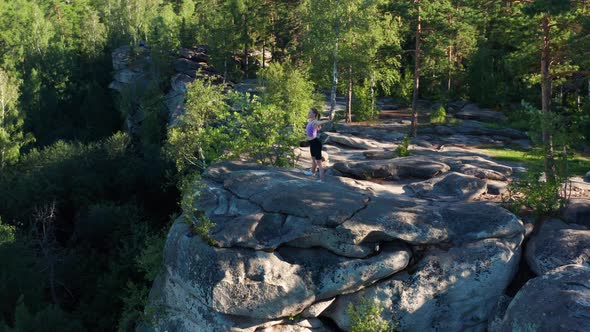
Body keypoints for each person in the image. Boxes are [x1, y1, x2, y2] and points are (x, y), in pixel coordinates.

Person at [304, 108, 330, 182]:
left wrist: (328, 120)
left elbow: (320, 122)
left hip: (316, 143)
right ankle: (312, 172)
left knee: (319, 163)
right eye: (308, 112)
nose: (308, 113)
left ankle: (322, 180)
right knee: (313, 159)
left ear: (314, 114)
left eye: (310, 112)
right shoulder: (310, 121)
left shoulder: (315, 121)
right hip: (312, 143)